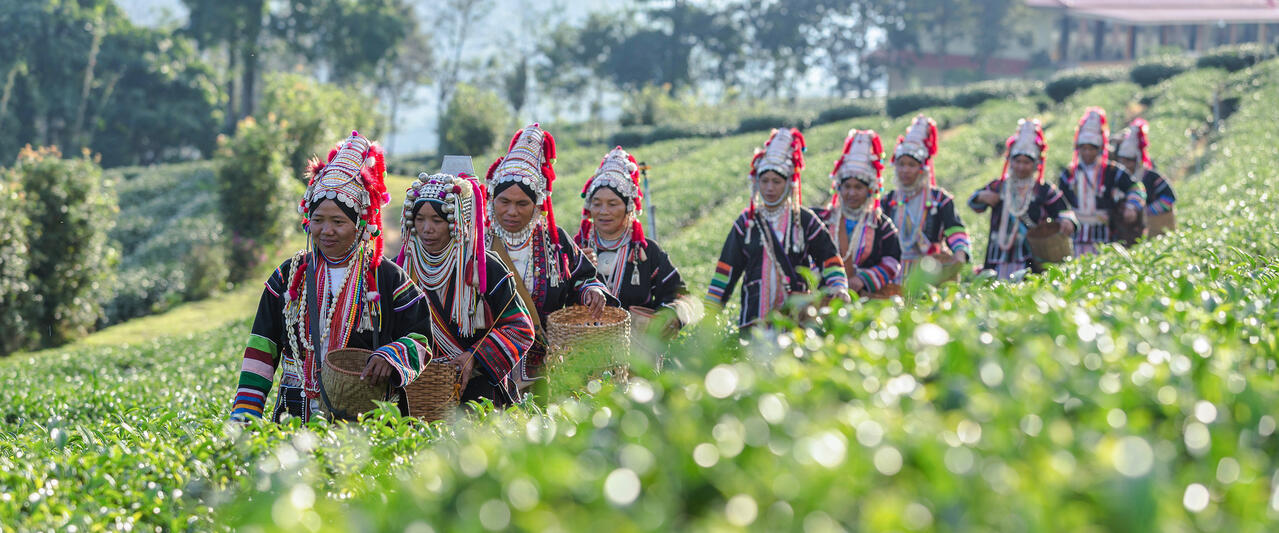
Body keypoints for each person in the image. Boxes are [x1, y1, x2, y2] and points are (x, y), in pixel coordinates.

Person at [230, 131, 432, 423]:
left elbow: (420, 337)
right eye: (318, 220)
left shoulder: (386, 277)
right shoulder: (289, 277)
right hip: (294, 415)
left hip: (365, 418)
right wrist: (245, 413)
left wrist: (393, 356)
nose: (326, 231)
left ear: (360, 225)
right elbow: (263, 345)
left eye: (338, 222)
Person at [484, 123, 611, 387]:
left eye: (522, 204)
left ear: (537, 206)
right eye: (504, 202)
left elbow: (583, 277)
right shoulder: (477, 242)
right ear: (491, 200)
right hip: (488, 368)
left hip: (546, 369)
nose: (511, 212)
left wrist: (592, 291)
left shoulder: (554, 242)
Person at [396, 172, 535, 405]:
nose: (426, 228)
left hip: (478, 396)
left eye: (437, 221)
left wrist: (474, 356)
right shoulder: (402, 269)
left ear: (456, 222)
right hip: (416, 394)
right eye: (419, 219)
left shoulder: (484, 269)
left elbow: (520, 328)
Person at [705, 127, 849, 330]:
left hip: (796, 323)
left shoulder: (804, 221)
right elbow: (726, 270)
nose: (769, 188)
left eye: (776, 181)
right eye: (764, 181)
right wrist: (709, 313)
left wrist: (838, 287)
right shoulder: (747, 223)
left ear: (789, 184)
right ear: (757, 183)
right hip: (754, 322)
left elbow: (829, 260)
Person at [574, 146, 701, 337]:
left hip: (638, 357)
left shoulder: (647, 253)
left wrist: (671, 314)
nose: (603, 211)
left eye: (613, 204)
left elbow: (682, 297)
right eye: (597, 203)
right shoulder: (576, 249)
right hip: (585, 353)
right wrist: (574, 269)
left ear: (628, 208)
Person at [969, 119, 1079, 280]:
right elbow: (974, 204)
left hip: (1030, 254)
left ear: (1035, 164)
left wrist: (1067, 221)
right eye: (1017, 161)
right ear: (1010, 161)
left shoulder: (1042, 189)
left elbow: (1063, 210)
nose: (1021, 166)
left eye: (1026, 162)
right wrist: (981, 197)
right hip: (998, 254)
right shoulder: (998, 186)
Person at [882, 114, 971, 281]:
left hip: (931, 270)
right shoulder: (888, 201)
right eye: (901, 164)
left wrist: (960, 253)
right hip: (894, 273)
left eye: (911, 165)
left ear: (922, 168)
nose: (905, 170)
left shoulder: (940, 199)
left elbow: (954, 229)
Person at [815, 129, 902, 297]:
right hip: (824, 295)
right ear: (839, 188)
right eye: (847, 187)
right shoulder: (822, 220)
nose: (852, 193)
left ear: (870, 191)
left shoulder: (881, 225)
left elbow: (892, 262)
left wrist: (863, 279)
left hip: (865, 297)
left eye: (858, 187)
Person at [1058, 107, 1145, 255]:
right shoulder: (1069, 174)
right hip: (1076, 234)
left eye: (1091, 149)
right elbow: (1061, 202)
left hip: (1105, 233)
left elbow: (1136, 187)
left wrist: (1132, 205)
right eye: (1083, 148)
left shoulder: (1112, 171)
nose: (1087, 153)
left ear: (1099, 149)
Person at [1112, 118, 1176, 235]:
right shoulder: (1117, 177)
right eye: (1122, 161)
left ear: (1137, 161)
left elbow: (1168, 199)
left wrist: (1144, 212)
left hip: (1153, 229)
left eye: (1129, 161)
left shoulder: (1151, 177)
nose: (1125, 165)